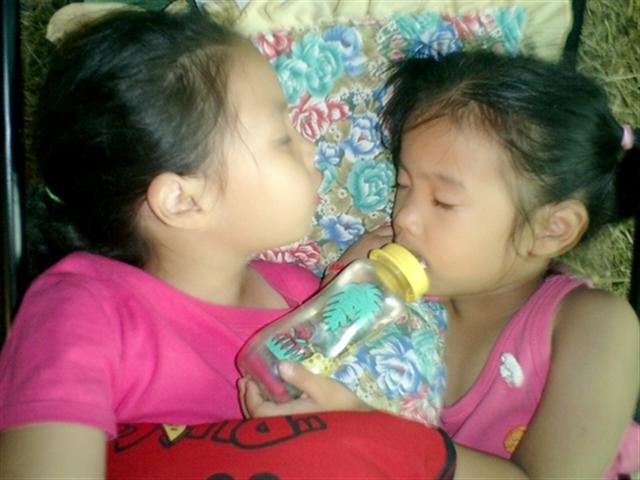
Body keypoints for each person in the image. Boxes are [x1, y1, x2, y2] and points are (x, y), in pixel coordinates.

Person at [240, 51, 640, 478]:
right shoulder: (385, 281)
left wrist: (370, 432)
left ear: (551, 230)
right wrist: (340, 291)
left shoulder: (596, 327)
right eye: (403, 185)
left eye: (443, 201)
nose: (405, 218)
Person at [0, 9, 326, 478]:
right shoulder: (82, 313)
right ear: (184, 200)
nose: (311, 147)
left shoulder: (308, 297)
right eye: (282, 138)